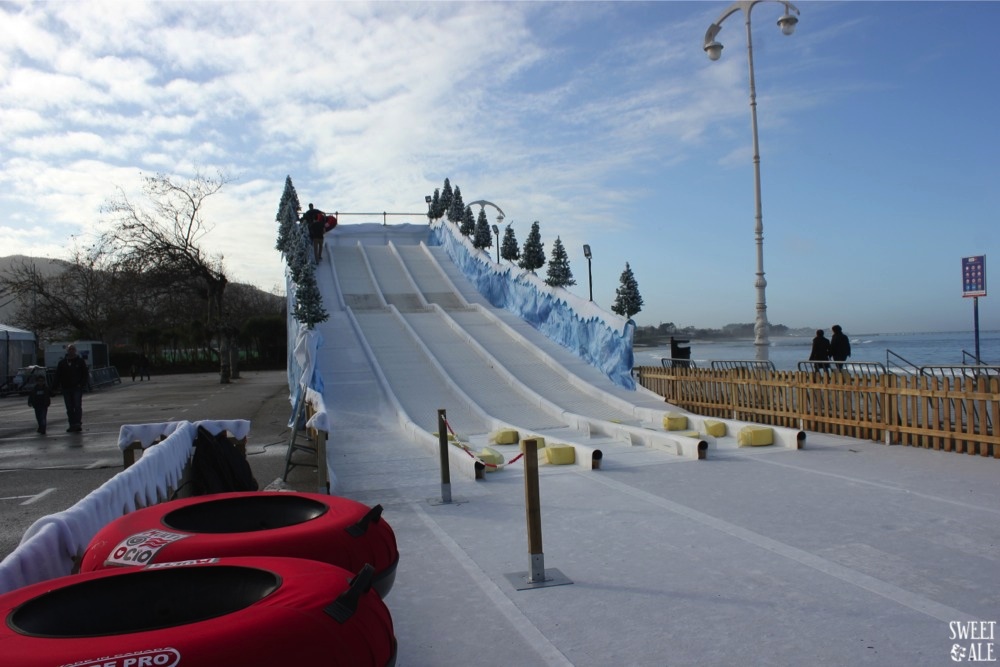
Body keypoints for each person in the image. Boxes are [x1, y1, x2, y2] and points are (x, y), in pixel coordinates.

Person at [54, 344, 90, 432]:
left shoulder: (80, 361)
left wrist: (81, 384)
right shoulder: (62, 363)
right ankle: (72, 424)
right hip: (66, 388)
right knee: (69, 408)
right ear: (67, 351)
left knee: (77, 406)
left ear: (75, 351)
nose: (71, 351)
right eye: (70, 349)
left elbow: (85, 374)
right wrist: (54, 387)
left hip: (77, 387)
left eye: (73, 349)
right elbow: (58, 375)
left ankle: (77, 423)